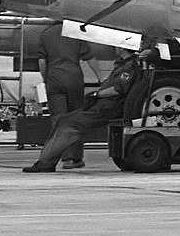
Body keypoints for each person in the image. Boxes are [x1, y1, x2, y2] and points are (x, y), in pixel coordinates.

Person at [23, 41, 154, 173]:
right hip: (104, 105)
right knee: (63, 121)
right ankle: (46, 161)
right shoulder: (125, 64)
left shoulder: (129, 66)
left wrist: (97, 94)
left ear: (121, 48)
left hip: (109, 107)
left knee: (68, 124)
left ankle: (45, 163)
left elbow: (118, 90)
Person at [38, 22, 94, 169]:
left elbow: (42, 62)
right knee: (76, 118)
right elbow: (89, 57)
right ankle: (75, 158)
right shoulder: (75, 31)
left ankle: (61, 159)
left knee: (58, 119)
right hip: (74, 78)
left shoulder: (46, 33)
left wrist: (46, 79)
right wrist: (100, 77)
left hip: (54, 78)